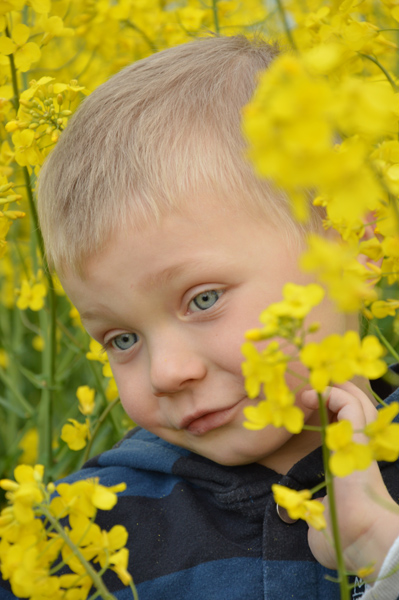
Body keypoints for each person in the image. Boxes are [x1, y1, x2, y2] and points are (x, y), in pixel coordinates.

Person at [2, 35, 399, 599]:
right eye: (121, 338)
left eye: (204, 299)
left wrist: (384, 551)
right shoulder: (75, 534)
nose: (166, 373)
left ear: (356, 246)